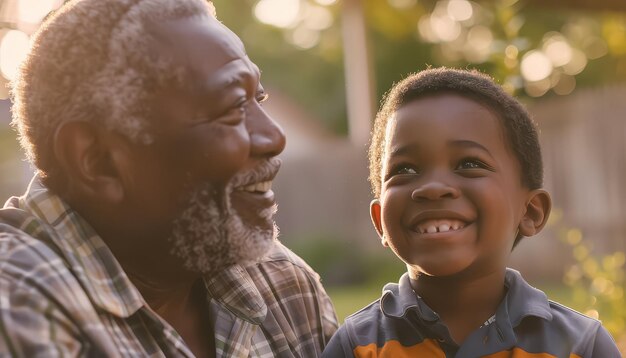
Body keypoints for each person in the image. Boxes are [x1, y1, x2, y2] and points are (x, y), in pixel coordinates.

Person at [0, 0, 337, 356]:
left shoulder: (284, 287)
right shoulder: (17, 305)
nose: (274, 137)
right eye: (234, 106)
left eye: (260, 98)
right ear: (99, 161)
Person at [322, 68, 621, 357]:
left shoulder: (580, 347)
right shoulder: (357, 347)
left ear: (530, 211)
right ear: (380, 223)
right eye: (405, 169)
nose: (433, 187)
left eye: (468, 164)